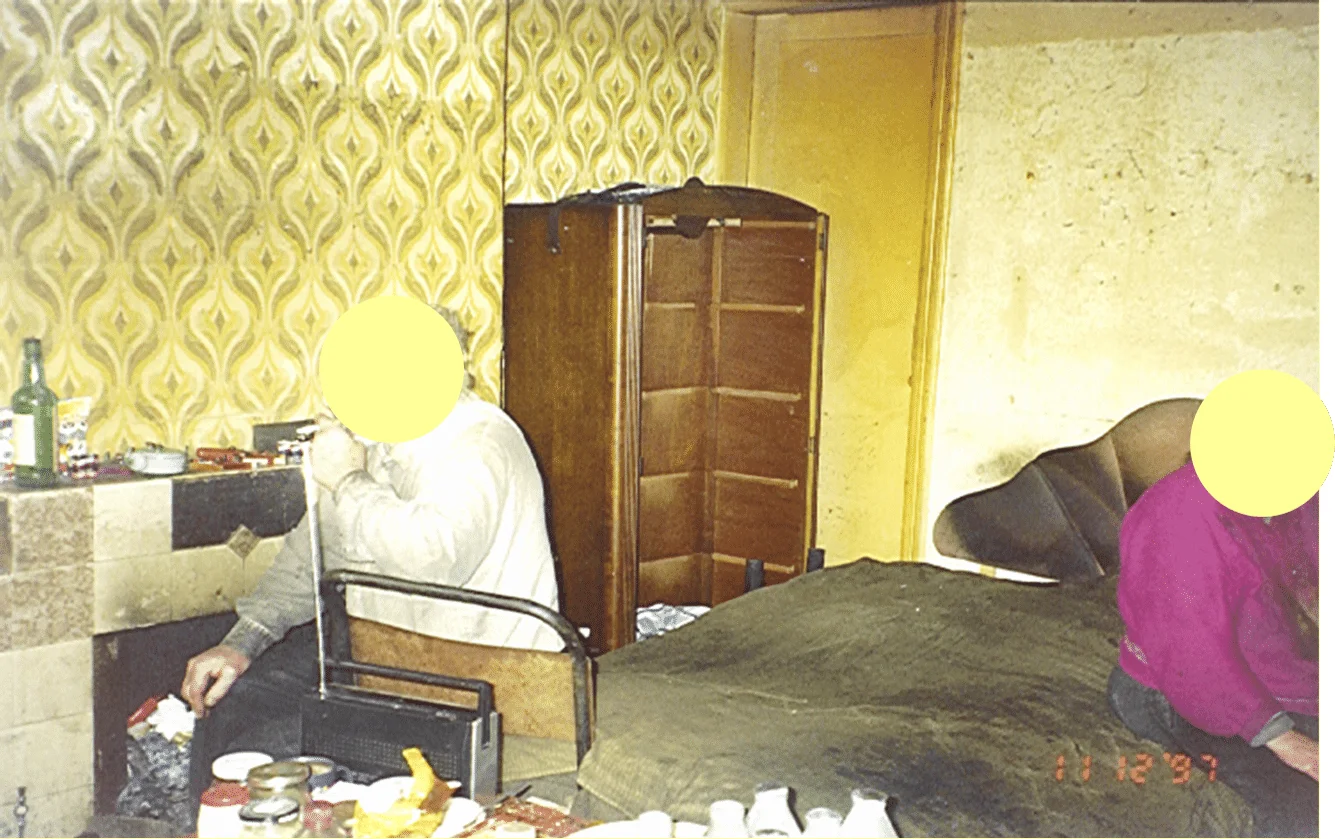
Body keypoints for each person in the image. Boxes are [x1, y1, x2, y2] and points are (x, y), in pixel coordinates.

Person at [180, 306, 561, 812]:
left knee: (268, 748)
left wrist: (349, 482)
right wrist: (242, 642)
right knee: (235, 704)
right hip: (392, 673)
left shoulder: (480, 442)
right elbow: (312, 550)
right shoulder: (381, 439)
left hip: (481, 689)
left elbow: (432, 559)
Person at [1106, 460, 1318, 837]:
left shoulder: (1299, 487)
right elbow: (1192, 659)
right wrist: (1284, 739)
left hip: (1279, 671)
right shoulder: (1179, 518)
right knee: (1304, 805)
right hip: (1183, 695)